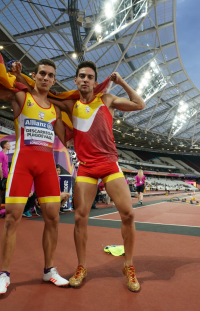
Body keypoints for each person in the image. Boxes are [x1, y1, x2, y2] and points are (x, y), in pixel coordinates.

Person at [0, 38, 69, 296]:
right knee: (12, 220)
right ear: (34, 76)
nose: (46, 78)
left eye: (51, 75)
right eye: (42, 74)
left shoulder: (56, 111)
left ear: (54, 81)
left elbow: (70, 138)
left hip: (48, 166)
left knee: (53, 219)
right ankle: (4, 275)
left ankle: (49, 270)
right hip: (23, 164)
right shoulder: (20, 97)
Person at [50, 61, 145, 292]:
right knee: (80, 217)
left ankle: (129, 266)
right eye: (81, 76)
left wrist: (120, 82)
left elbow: (139, 104)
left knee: (128, 214)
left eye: (90, 77)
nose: (85, 80)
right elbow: (43, 95)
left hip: (109, 164)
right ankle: (81, 267)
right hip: (86, 167)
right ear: (75, 80)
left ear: (94, 81)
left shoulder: (107, 100)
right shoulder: (69, 103)